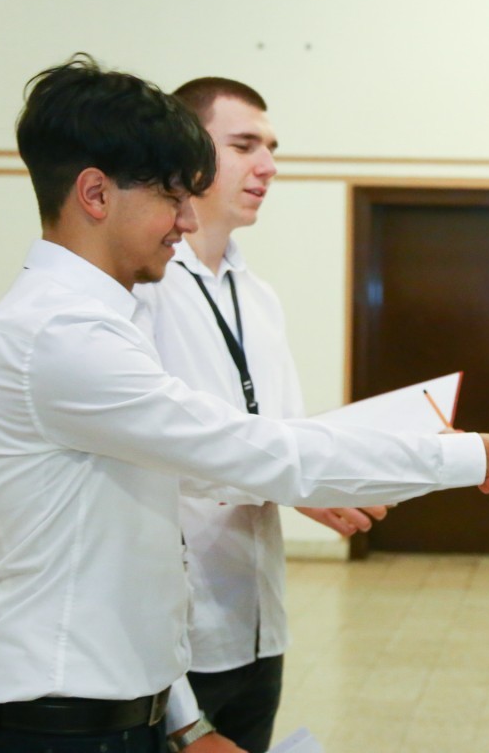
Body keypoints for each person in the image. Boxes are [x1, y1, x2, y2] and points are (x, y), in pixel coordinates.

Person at [0, 54, 489, 753]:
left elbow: (144, 555)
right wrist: (481, 455)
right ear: (96, 194)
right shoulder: (64, 335)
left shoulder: (98, 320)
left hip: (122, 706)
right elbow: (259, 450)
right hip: (52, 722)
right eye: (171, 195)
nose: (185, 218)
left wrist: (184, 720)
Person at [131, 77, 385, 752]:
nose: (268, 166)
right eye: (244, 145)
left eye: (271, 148)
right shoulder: (145, 289)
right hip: (172, 632)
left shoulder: (260, 296)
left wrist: (322, 483)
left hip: (258, 623)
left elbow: (284, 435)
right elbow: (158, 452)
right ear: (187, 152)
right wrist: (286, 477)